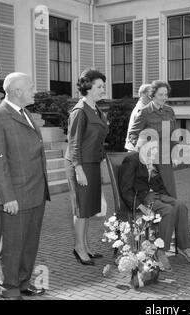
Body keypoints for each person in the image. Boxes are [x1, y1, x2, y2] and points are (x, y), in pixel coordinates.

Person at [0, 72, 50, 299]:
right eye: (30, 86)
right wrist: (7, 196)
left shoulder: (25, 113)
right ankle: (9, 289)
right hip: (15, 195)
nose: (34, 90)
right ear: (17, 91)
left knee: (29, 243)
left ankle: (23, 282)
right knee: (11, 246)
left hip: (35, 192)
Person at [118, 136, 190, 272]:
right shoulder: (131, 161)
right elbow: (126, 190)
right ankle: (160, 251)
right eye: (152, 149)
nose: (155, 152)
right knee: (168, 210)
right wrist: (141, 207)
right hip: (142, 199)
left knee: (180, 206)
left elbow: (159, 183)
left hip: (157, 195)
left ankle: (183, 246)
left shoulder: (153, 161)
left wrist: (168, 197)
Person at [65, 69, 109, 265]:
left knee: (89, 208)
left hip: (92, 164)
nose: (103, 89)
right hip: (80, 165)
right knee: (81, 209)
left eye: (103, 86)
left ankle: (86, 245)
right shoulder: (79, 111)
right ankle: (78, 248)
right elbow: (73, 143)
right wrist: (78, 169)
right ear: (87, 88)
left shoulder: (97, 110)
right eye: (99, 86)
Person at [127, 80, 177, 198]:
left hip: (165, 160)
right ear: (152, 95)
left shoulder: (169, 111)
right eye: (161, 94)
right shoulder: (144, 112)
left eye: (166, 94)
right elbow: (133, 135)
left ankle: (170, 215)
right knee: (154, 196)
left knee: (170, 194)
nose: (164, 97)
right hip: (151, 163)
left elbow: (173, 135)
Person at [124, 83, 152, 151]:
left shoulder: (143, 108)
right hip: (137, 149)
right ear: (142, 95)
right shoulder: (140, 110)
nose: (152, 98)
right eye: (149, 95)